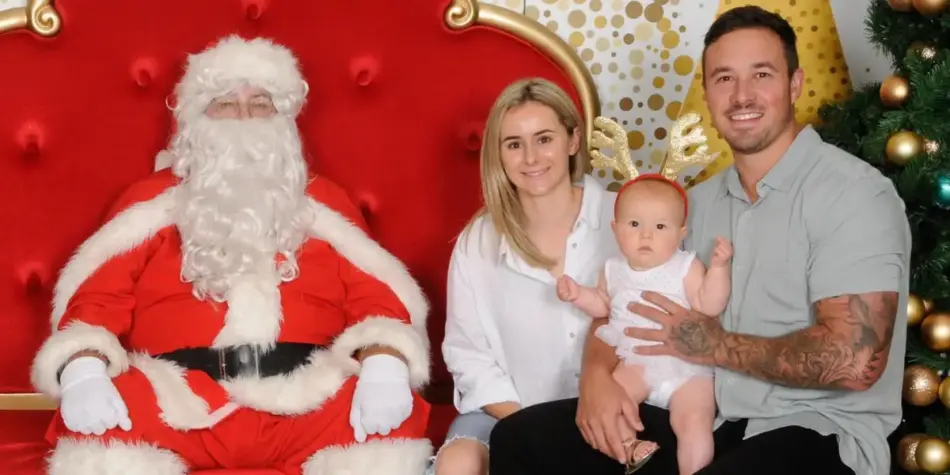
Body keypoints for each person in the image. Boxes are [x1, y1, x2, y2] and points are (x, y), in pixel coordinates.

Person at [489, 6, 910, 475]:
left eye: (761, 74)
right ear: (708, 94)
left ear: (794, 84)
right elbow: (621, 302)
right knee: (520, 440)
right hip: (709, 417)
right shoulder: (691, 206)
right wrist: (595, 379)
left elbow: (855, 361)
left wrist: (715, 346)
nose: (741, 94)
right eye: (724, 78)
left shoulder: (855, 194)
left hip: (819, 431)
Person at [30, 35, 433, 475]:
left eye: (260, 104)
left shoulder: (323, 203)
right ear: (195, 120)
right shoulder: (149, 202)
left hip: (305, 402)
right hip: (177, 401)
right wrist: (83, 370)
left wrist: (384, 363)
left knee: (391, 418)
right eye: (225, 104)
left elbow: (378, 299)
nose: (244, 118)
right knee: (100, 425)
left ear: (285, 119)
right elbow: (95, 302)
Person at [428, 78, 623, 475]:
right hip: (508, 414)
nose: (531, 157)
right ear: (498, 155)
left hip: (611, 407)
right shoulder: (477, 241)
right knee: (458, 463)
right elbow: (468, 354)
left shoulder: (625, 220)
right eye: (514, 144)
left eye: (544, 138)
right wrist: (532, 430)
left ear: (572, 141)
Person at [557, 173, 732, 475]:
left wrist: (718, 269)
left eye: (660, 227)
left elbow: (709, 304)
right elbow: (603, 305)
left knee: (692, 422)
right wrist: (577, 295)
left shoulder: (686, 266)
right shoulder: (612, 270)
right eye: (634, 225)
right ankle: (629, 447)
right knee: (610, 404)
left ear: (680, 233)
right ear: (616, 230)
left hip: (687, 369)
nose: (646, 236)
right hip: (636, 362)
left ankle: (695, 471)